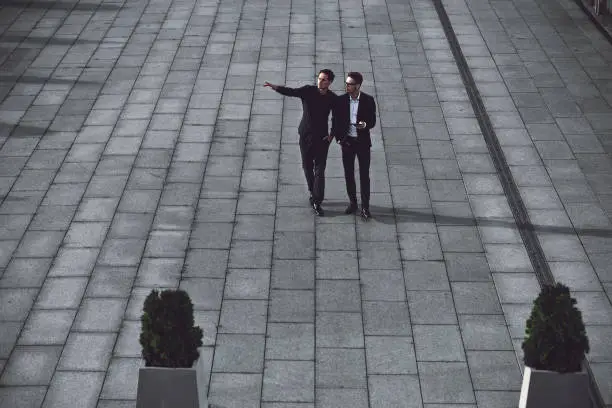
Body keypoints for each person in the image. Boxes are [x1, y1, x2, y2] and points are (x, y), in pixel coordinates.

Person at [263, 69, 336, 216]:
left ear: (329, 82)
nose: (320, 81)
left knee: (320, 171)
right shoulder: (308, 90)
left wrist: (331, 135)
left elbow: (337, 118)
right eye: (319, 78)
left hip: (322, 139)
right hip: (306, 136)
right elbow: (292, 92)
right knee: (307, 167)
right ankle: (312, 191)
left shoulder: (332, 98)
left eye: (323, 80)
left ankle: (317, 201)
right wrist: (275, 87)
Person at [330, 72, 377, 221]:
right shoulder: (341, 100)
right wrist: (338, 139)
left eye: (350, 84)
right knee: (348, 173)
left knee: (364, 176)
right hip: (348, 142)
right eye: (346, 83)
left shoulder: (368, 100)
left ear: (358, 86)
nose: (347, 86)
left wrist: (365, 125)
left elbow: (372, 121)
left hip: (362, 143)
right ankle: (353, 203)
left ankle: (365, 207)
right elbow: (335, 119)